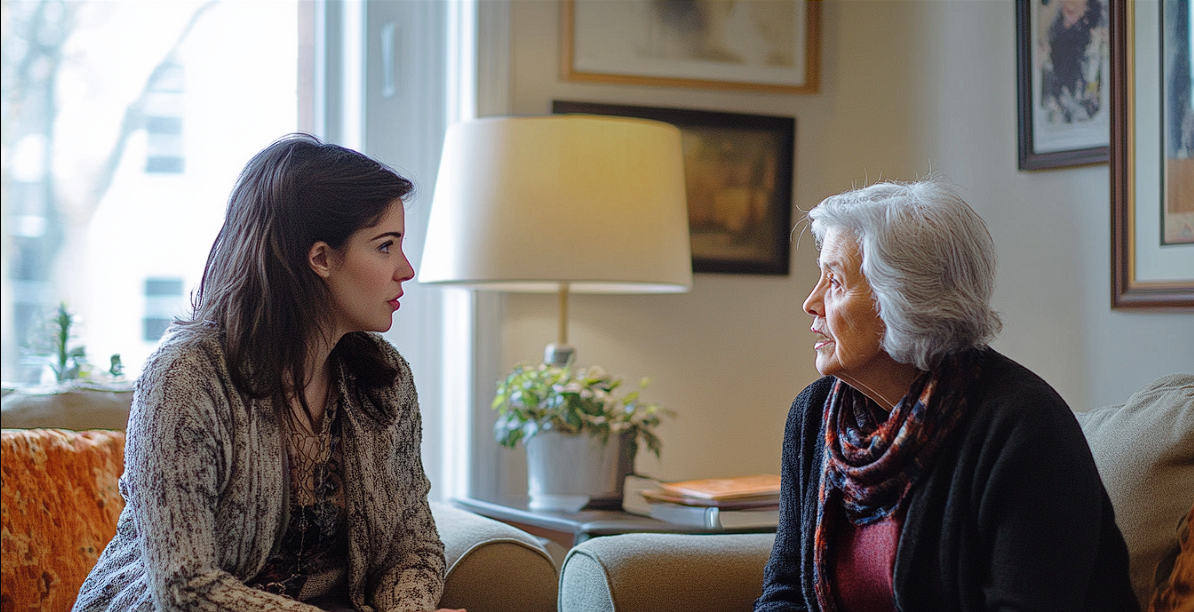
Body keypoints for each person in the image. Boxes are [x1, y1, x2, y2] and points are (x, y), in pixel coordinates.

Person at [74, 134, 461, 612]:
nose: (406, 269)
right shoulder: (185, 376)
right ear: (320, 257)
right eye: (385, 247)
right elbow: (185, 588)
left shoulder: (384, 377)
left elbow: (412, 547)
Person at [754, 179, 1138, 612]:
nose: (811, 301)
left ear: (902, 298)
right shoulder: (815, 416)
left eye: (836, 281)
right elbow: (785, 590)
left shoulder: (1024, 428)